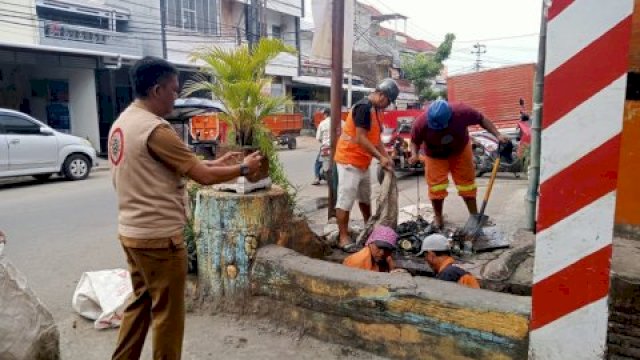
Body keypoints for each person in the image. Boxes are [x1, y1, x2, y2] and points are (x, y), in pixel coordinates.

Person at [108, 56, 263, 360]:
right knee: (168, 314)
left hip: (132, 233)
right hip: (159, 238)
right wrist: (243, 169)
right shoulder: (155, 129)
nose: (176, 96)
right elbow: (202, 176)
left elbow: (175, 167)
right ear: (156, 90)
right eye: (174, 90)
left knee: (140, 302)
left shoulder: (123, 122)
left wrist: (216, 164)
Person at [409, 100, 509, 229]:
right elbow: (414, 141)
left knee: (467, 185)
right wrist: (414, 154)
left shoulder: (461, 111)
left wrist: (498, 135)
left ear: (450, 116)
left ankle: (474, 216)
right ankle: (438, 218)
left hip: (460, 151)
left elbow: (481, 119)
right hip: (435, 156)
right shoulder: (421, 122)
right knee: (436, 187)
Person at [334, 79, 398, 252]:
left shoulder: (376, 111)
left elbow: (376, 140)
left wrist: (386, 157)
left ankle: (368, 228)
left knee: (365, 198)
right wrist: (380, 157)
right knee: (345, 200)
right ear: (381, 95)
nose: (387, 105)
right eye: (388, 101)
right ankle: (343, 237)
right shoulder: (363, 107)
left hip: (363, 162)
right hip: (349, 160)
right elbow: (360, 139)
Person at [312, 108, 331, 185]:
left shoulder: (322, 123)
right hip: (338, 148)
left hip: (326, 147)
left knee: (318, 163)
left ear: (325, 114)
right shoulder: (341, 122)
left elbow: (318, 138)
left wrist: (324, 142)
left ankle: (316, 178)